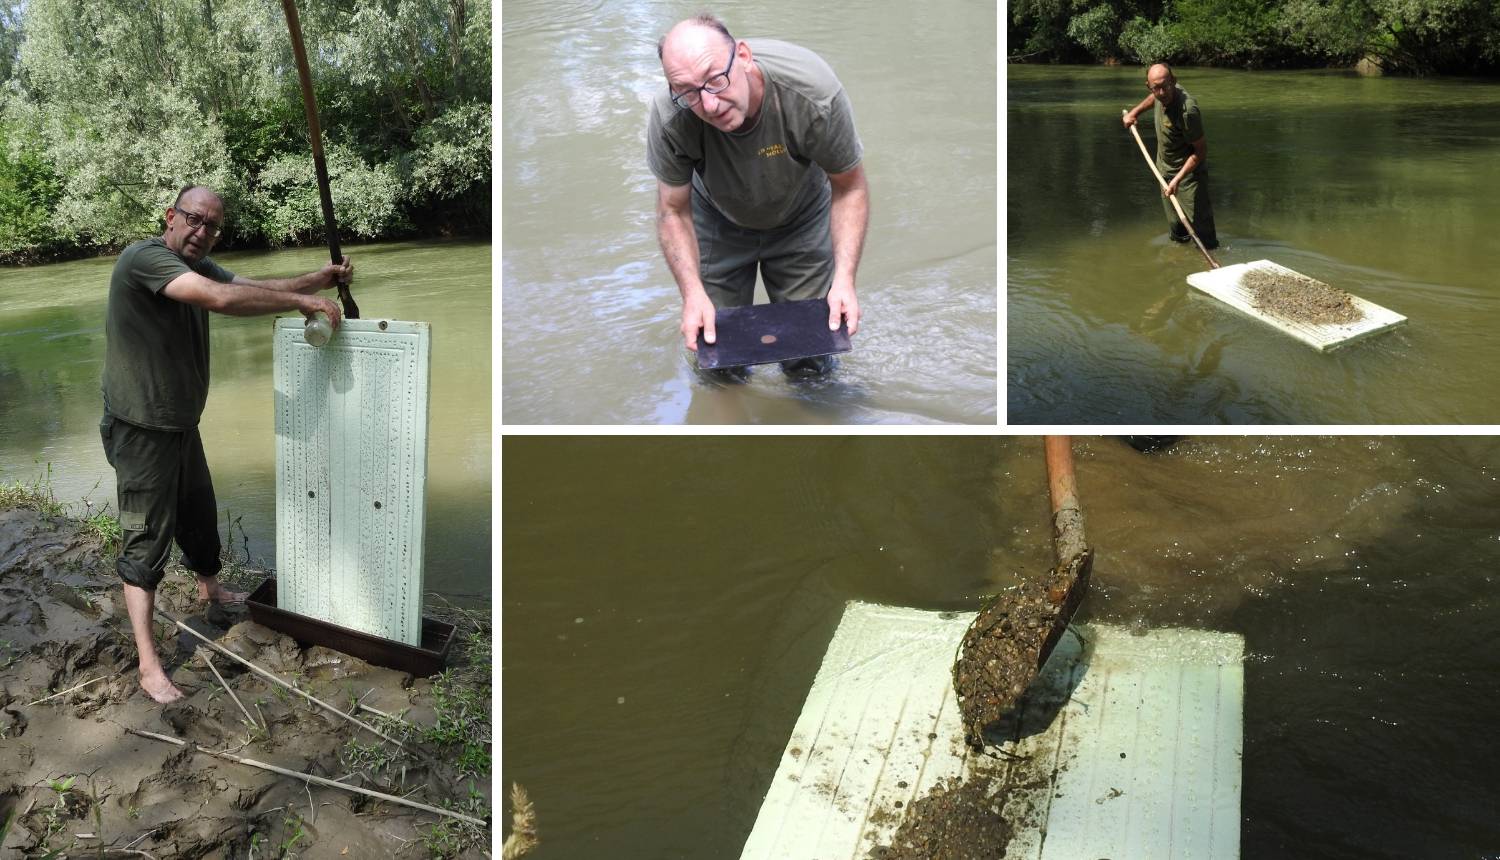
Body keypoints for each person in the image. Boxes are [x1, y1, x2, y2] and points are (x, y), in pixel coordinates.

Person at [100, 184, 351, 704]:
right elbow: (221, 299)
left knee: (198, 510)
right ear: (170, 216)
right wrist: (304, 301)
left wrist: (316, 279)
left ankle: (210, 588)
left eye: (212, 226)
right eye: (194, 219)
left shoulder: (198, 265)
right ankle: (149, 665)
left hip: (180, 422)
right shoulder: (145, 258)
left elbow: (249, 285)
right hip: (142, 427)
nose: (202, 232)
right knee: (146, 541)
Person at [647, 14, 869, 377]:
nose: (710, 104)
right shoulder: (672, 115)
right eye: (688, 91)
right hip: (717, 218)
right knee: (716, 355)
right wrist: (692, 294)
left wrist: (845, 279)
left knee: (810, 358)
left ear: (745, 57)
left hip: (801, 214)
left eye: (716, 80)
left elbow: (849, 186)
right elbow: (673, 210)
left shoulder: (813, 94)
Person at [1122, 63, 1218, 249]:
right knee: (1177, 228)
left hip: (1189, 176)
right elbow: (1154, 98)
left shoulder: (1188, 111)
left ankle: (1213, 261)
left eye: (1165, 86)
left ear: (1174, 81)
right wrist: (1134, 113)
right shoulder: (1158, 93)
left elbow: (1200, 151)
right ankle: (1180, 260)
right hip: (1164, 171)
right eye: (1156, 88)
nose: (1162, 93)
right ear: (1149, 86)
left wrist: (1178, 180)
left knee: (1203, 232)